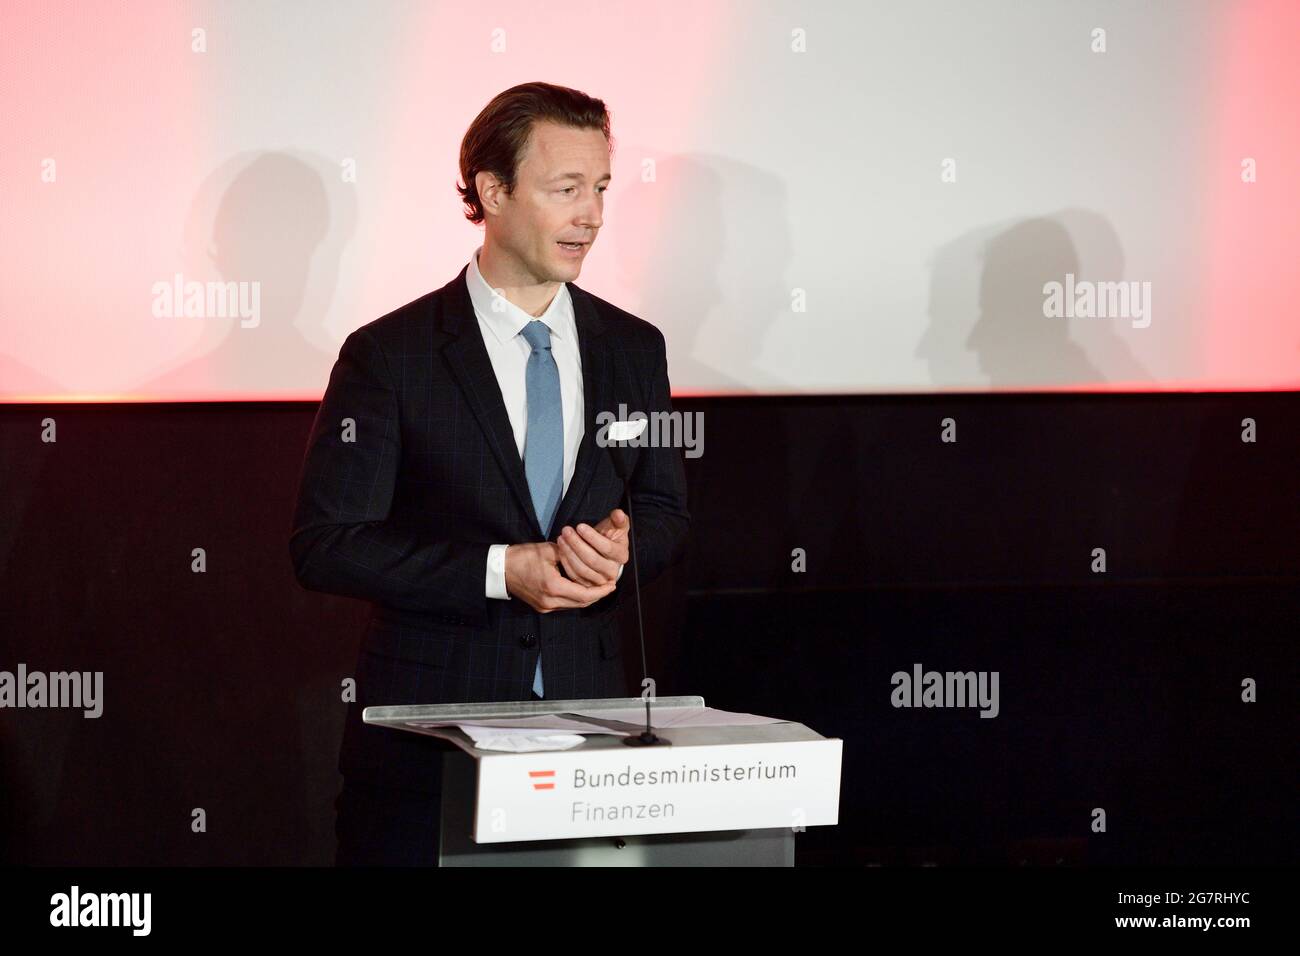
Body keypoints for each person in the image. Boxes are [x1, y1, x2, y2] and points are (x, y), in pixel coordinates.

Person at [289, 81, 690, 865]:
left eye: (601, 189)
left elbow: (666, 511)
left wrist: (618, 555)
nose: (593, 216)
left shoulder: (635, 348)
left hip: (592, 740)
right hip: (427, 746)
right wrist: (504, 571)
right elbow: (326, 543)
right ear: (492, 190)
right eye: (567, 189)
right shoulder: (391, 355)